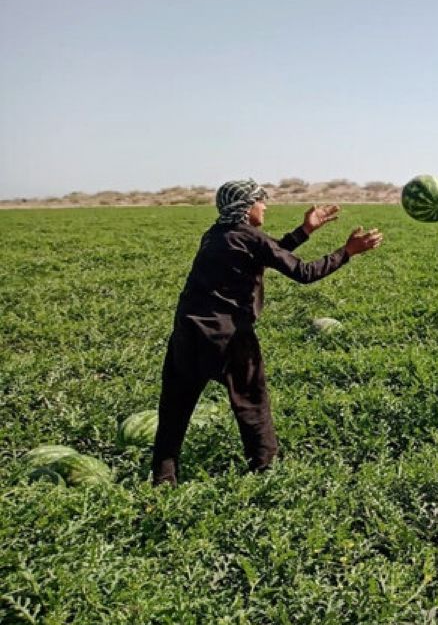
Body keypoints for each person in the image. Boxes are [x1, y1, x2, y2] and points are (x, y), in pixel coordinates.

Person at [151, 180, 383, 485]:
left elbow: (267, 253)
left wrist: (306, 231)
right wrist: (347, 252)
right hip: (228, 337)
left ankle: (163, 480)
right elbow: (303, 272)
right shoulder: (249, 237)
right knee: (252, 405)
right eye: (261, 201)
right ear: (246, 208)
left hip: (187, 333)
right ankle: (265, 474)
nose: (266, 206)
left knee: (174, 410)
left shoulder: (216, 235)